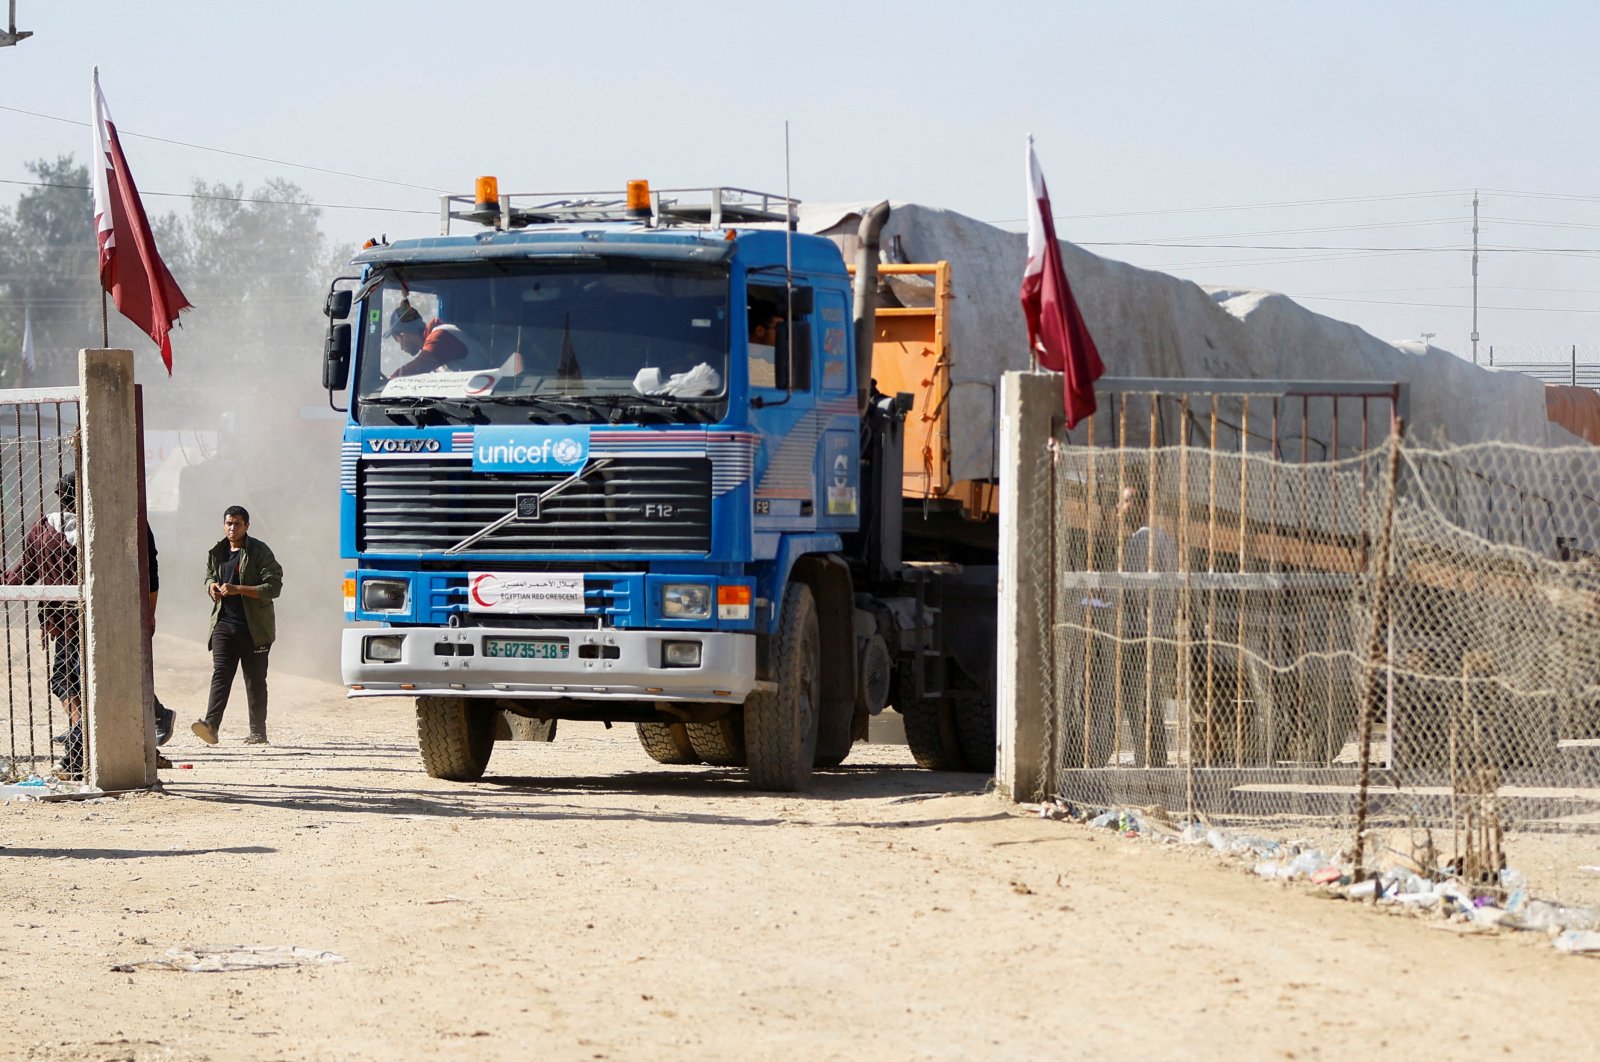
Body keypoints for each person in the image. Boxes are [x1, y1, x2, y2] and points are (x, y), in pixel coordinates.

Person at [2, 472, 85, 776]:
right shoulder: (94, 530)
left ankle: (79, 733)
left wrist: (4, 582)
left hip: (61, 620)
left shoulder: (42, 529)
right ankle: (81, 733)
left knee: (65, 680)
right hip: (92, 620)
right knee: (79, 679)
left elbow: (24, 572)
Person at [191, 505, 283, 746]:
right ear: (224, 524)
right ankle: (211, 726)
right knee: (221, 674)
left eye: (238, 524)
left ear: (247, 526)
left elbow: (273, 588)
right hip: (224, 624)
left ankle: (258, 732)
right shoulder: (217, 551)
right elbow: (208, 576)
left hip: (254, 628)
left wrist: (238, 589)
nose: (233, 528)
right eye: (229, 523)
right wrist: (211, 586)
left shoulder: (259, 552)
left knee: (254, 680)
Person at [385, 299, 491, 377]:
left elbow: (419, 366)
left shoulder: (441, 336)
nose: (401, 348)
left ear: (403, 335)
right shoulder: (433, 345)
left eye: (396, 340)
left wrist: (389, 381)